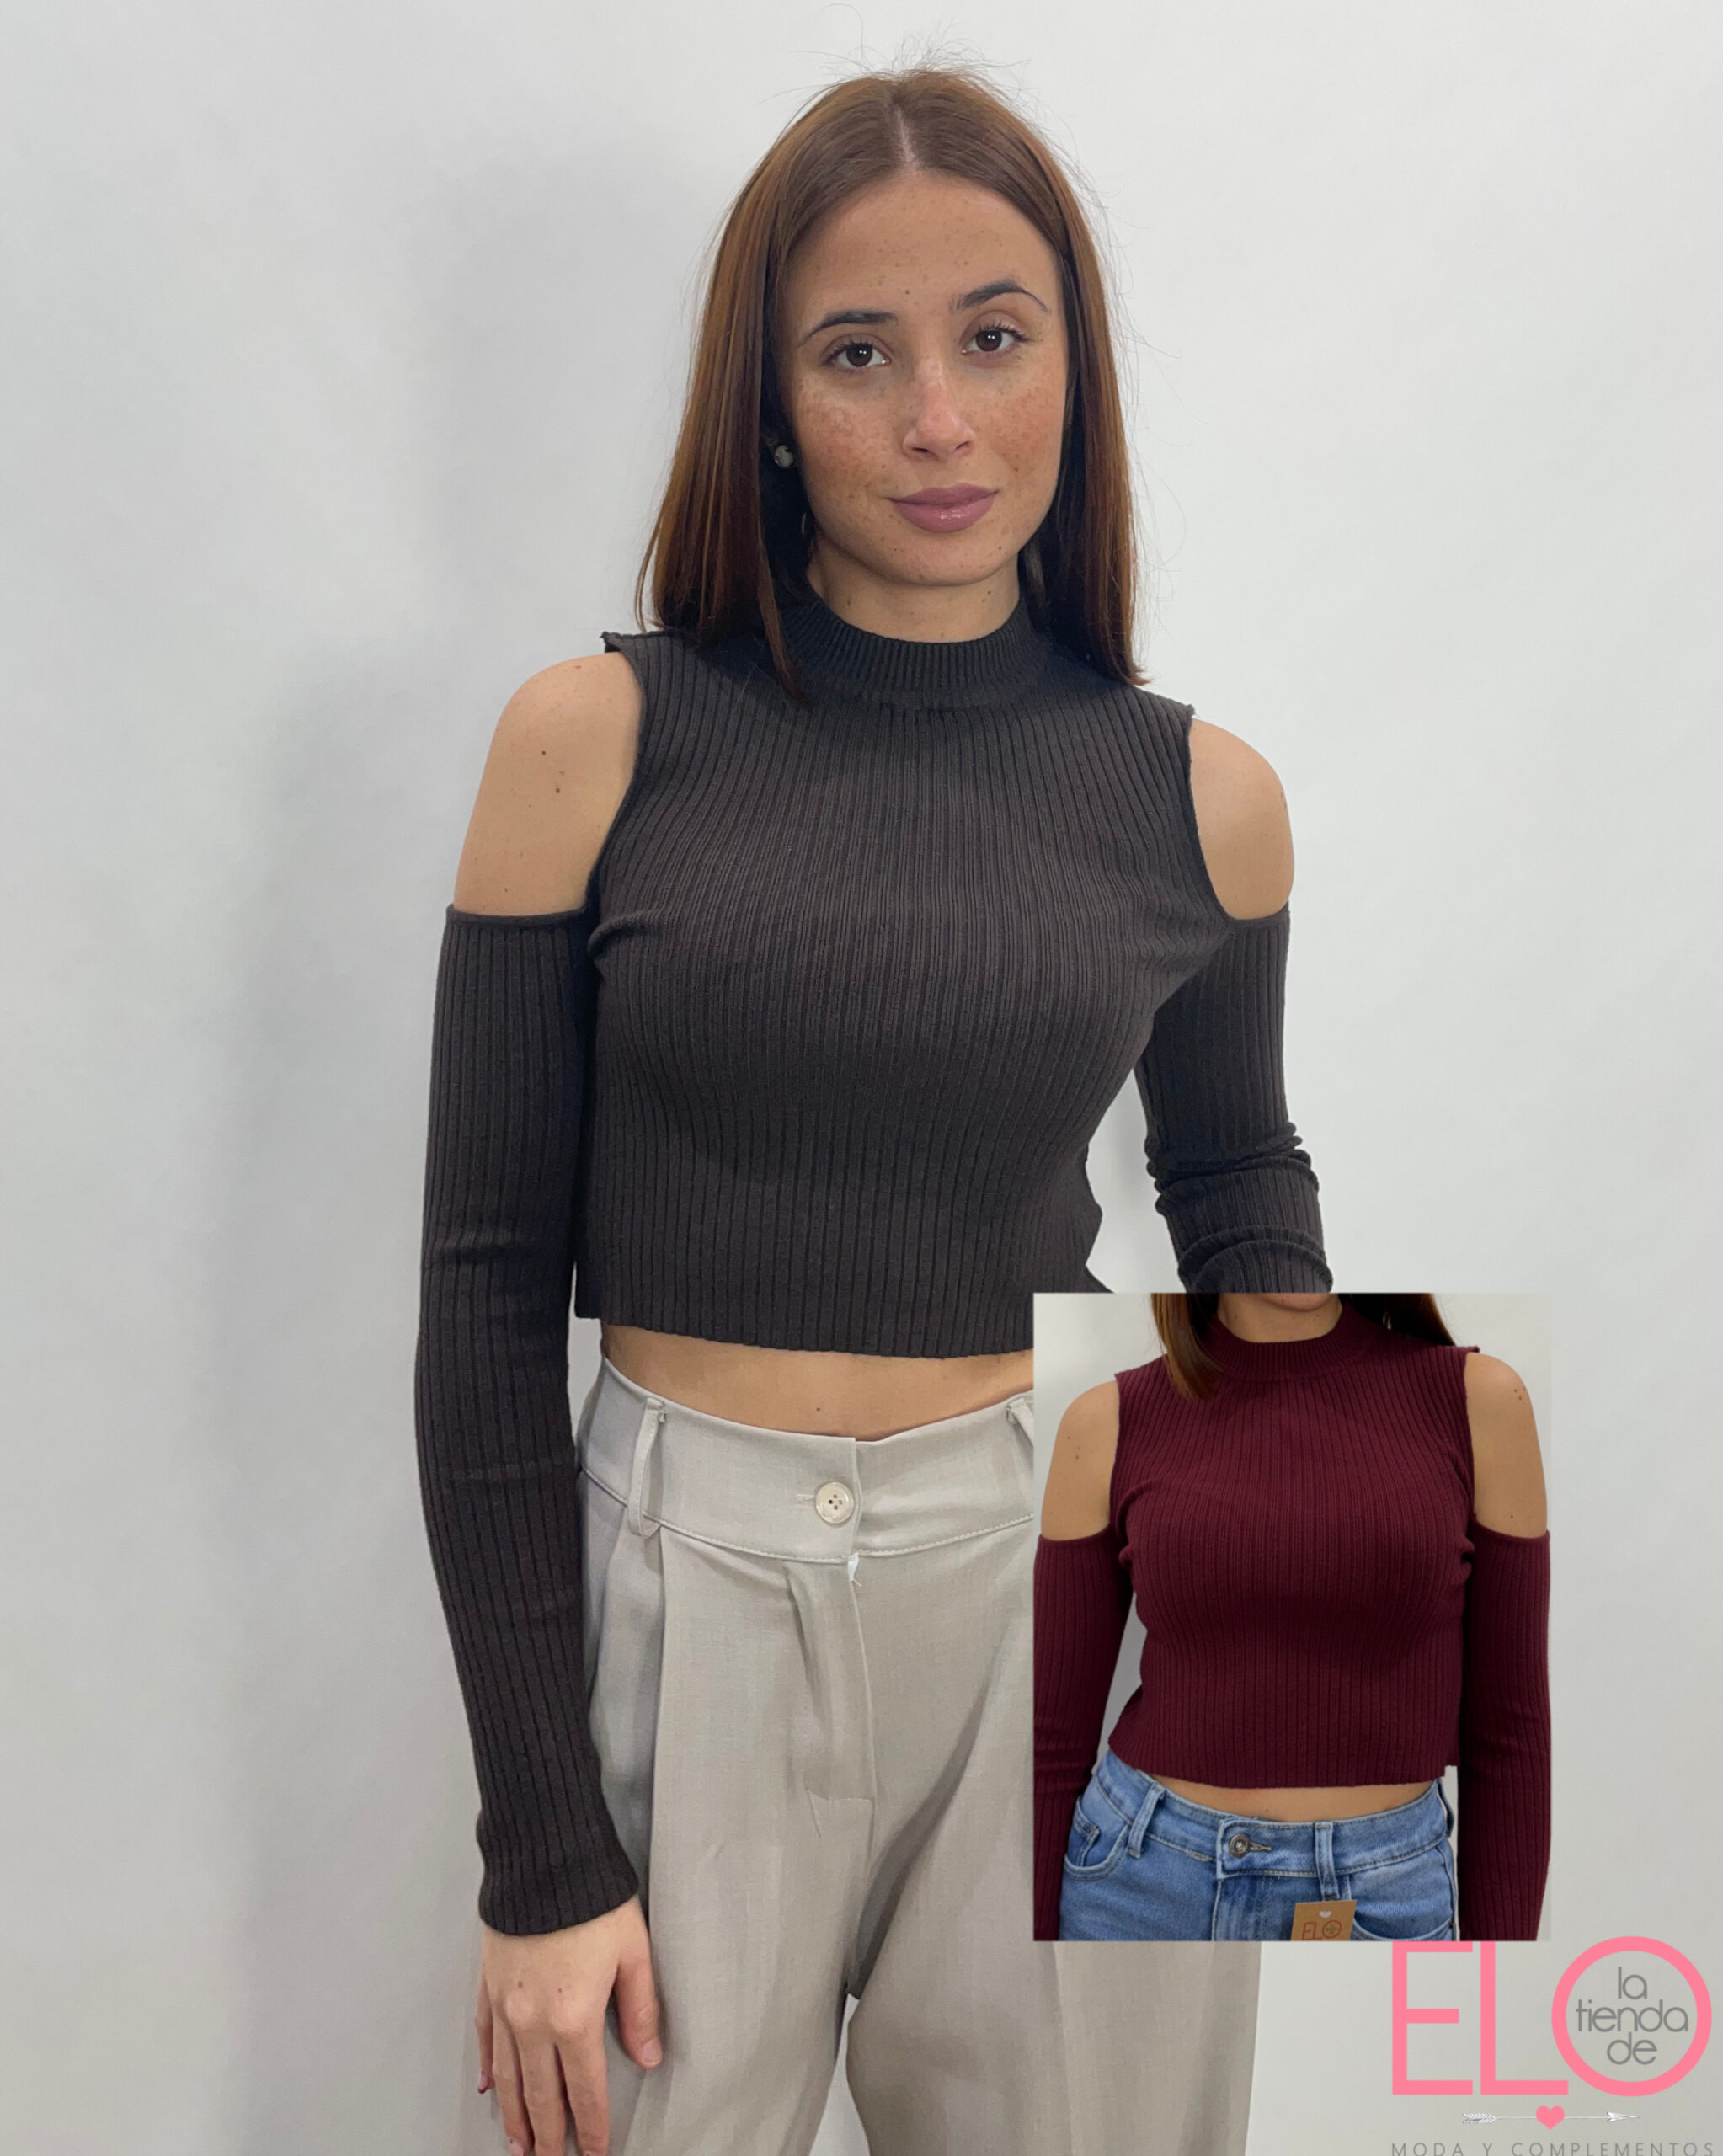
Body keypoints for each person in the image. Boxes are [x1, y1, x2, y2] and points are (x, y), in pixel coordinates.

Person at [414, 57, 1328, 2156]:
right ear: (768, 400)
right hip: (678, 1583)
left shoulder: (1202, 796)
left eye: (994, 338)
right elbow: (482, 1284)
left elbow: (1234, 1171)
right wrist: (540, 1843)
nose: (937, 419)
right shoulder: (594, 740)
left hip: (1071, 1589)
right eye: (857, 353)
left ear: (1072, 370)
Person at [1034, 1292, 1551, 1944]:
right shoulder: (1107, 1420)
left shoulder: (1478, 1400)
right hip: (1136, 1887)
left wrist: (1502, 1981)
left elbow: (1509, 1732)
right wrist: (1029, 1972)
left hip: (1383, 1897)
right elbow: (1049, 1740)